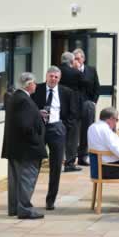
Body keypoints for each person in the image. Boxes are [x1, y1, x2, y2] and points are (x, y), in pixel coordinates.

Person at [1, 73, 47, 219]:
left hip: (15, 148)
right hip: (27, 150)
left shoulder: (16, 97)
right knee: (27, 179)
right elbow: (25, 126)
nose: (36, 85)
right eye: (34, 83)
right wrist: (36, 141)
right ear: (28, 84)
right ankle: (25, 209)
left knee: (15, 180)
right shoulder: (24, 100)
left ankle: (15, 208)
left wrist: (37, 114)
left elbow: (22, 119)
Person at [31, 66, 77, 211]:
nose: (53, 79)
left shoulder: (66, 92)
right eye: (51, 76)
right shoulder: (37, 89)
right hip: (39, 129)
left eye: (56, 77)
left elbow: (72, 113)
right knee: (34, 163)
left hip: (57, 128)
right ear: (46, 76)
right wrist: (37, 113)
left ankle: (50, 200)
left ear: (59, 78)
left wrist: (64, 127)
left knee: (56, 166)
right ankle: (26, 198)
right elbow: (29, 107)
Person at [58, 51, 86, 172]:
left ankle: (57, 161)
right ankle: (69, 163)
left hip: (58, 107)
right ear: (71, 61)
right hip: (73, 108)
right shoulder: (76, 73)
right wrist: (78, 69)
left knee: (57, 134)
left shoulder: (56, 71)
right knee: (72, 136)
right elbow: (84, 86)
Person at [73, 48, 101, 167]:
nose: (76, 61)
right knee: (74, 132)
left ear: (83, 59)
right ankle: (71, 156)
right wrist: (76, 70)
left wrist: (94, 102)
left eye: (78, 58)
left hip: (88, 106)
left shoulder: (91, 70)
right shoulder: (71, 71)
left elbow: (97, 87)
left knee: (86, 131)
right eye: (74, 59)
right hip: (74, 106)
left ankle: (83, 156)